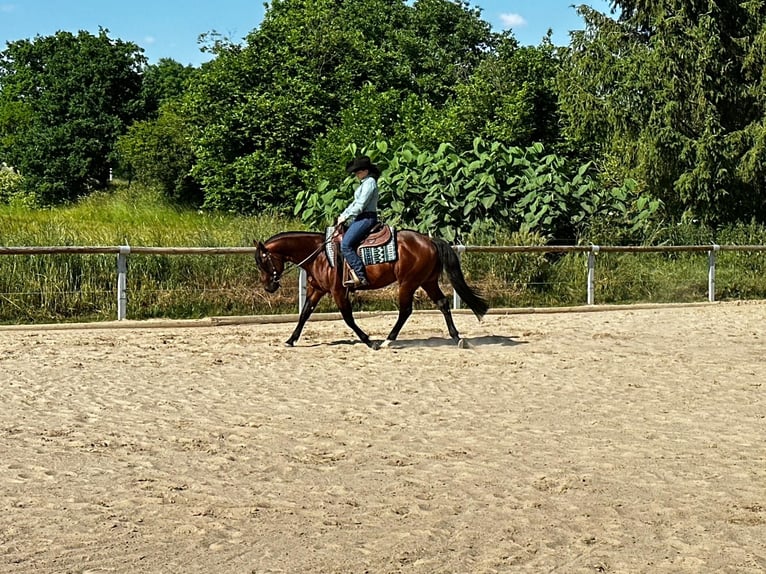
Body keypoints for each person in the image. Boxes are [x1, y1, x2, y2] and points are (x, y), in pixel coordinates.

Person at [336, 155, 380, 287]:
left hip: (366, 217)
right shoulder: (365, 183)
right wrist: (343, 215)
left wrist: (346, 216)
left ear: (366, 171)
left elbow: (361, 204)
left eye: (358, 171)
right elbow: (354, 203)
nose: (356, 174)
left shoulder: (370, 182)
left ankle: (360, 275)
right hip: (360, 217)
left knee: (345, 245)